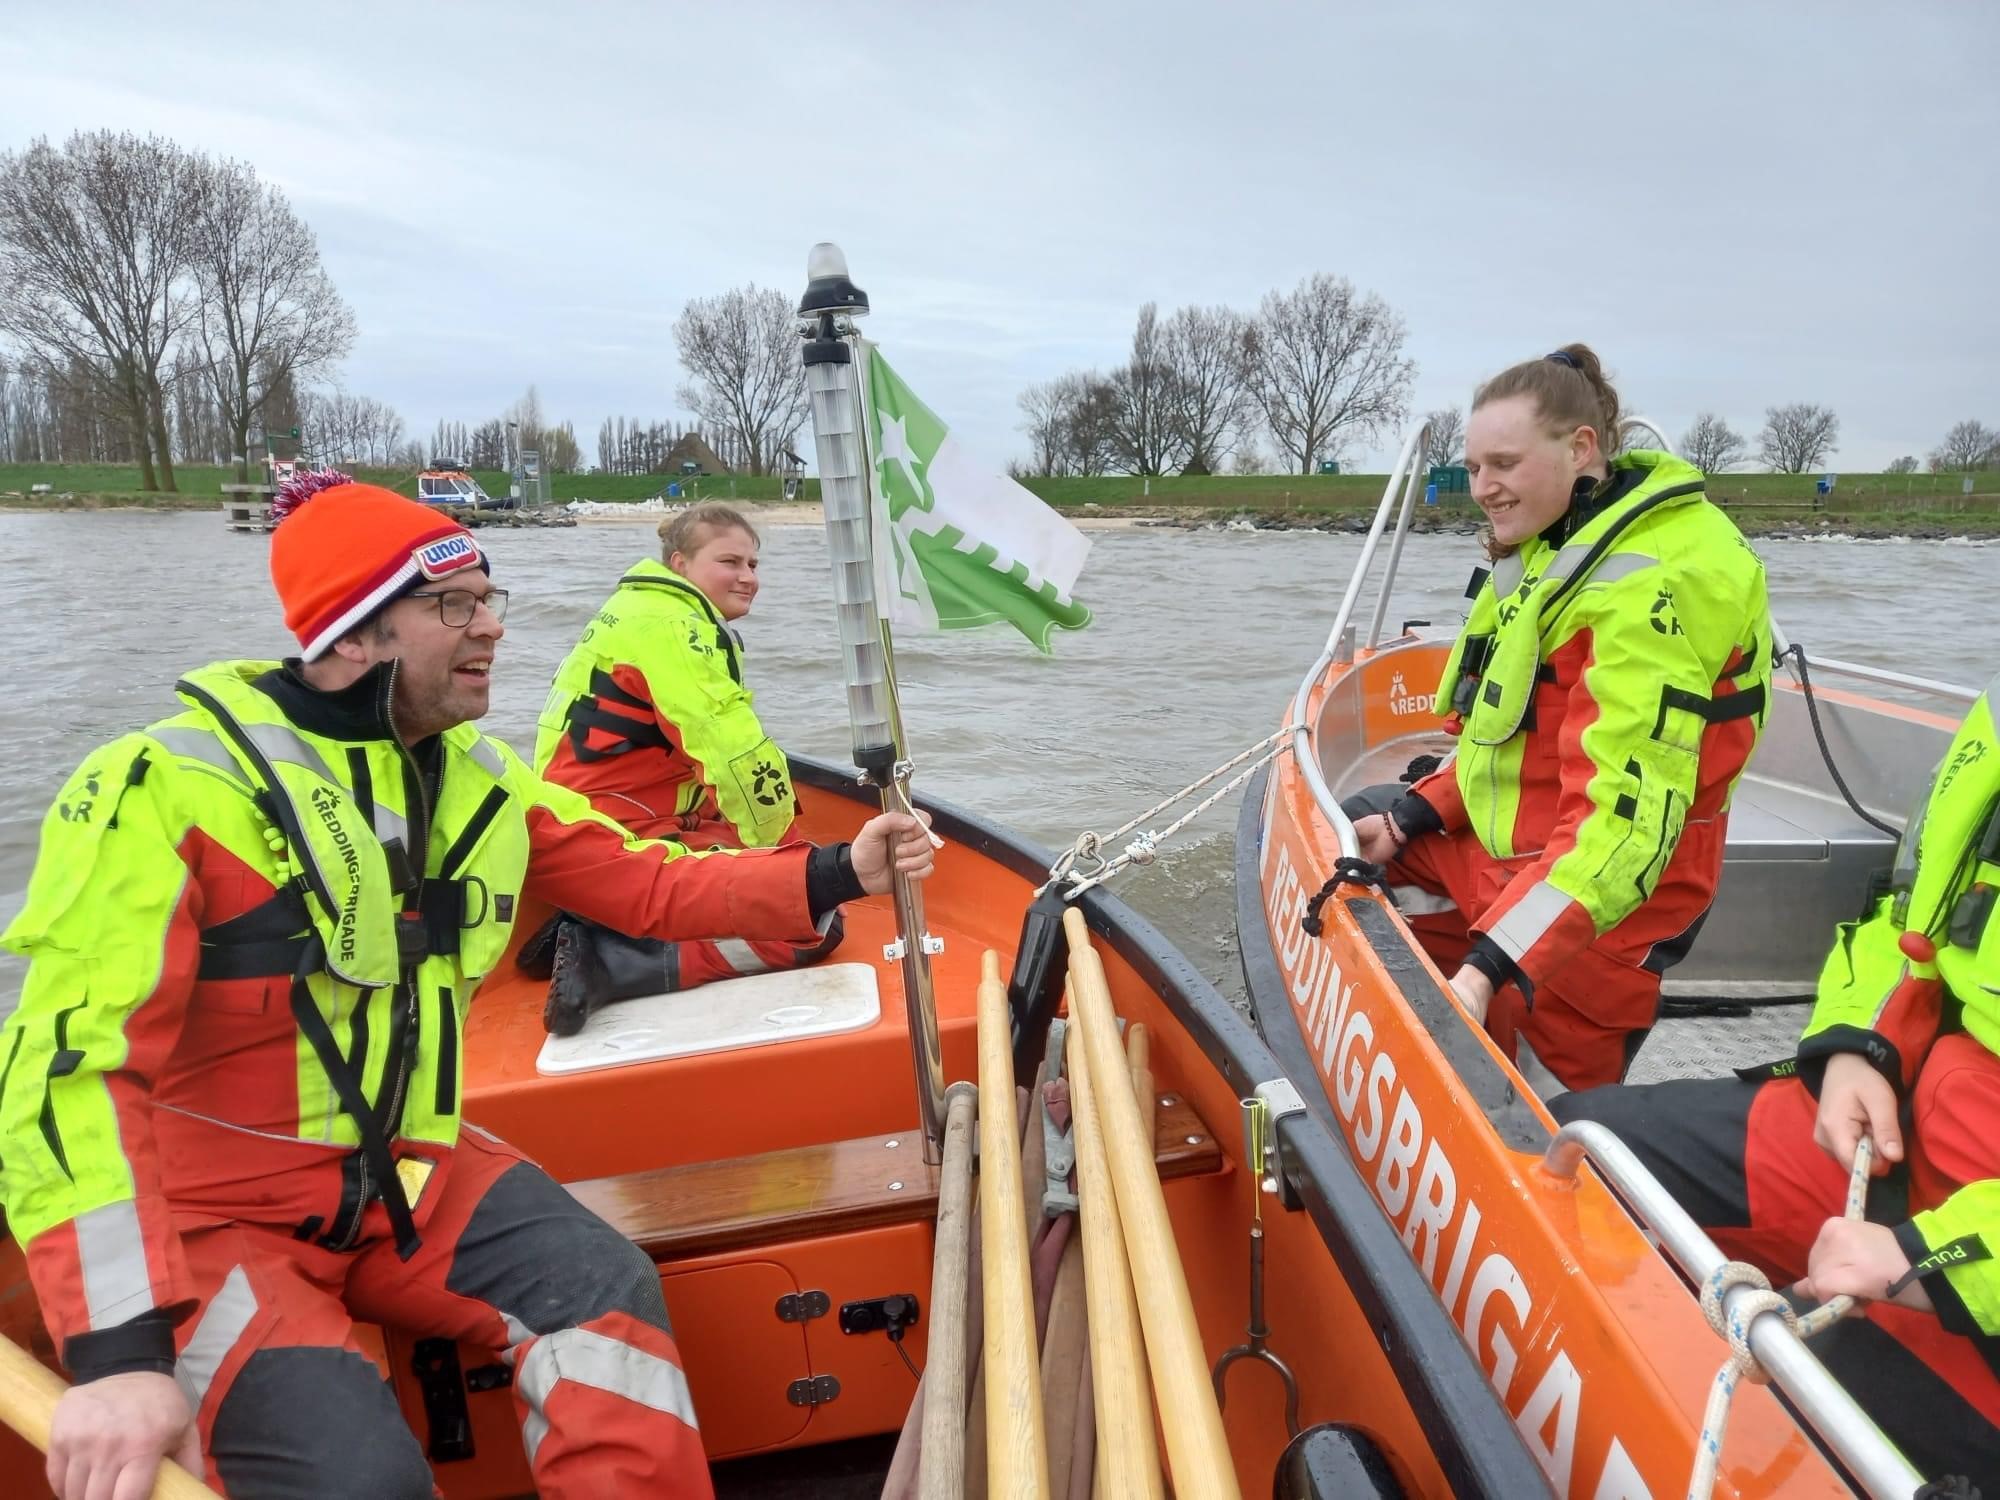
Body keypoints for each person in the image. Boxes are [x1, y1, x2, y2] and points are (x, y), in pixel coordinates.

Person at [0, 473, 935, 1500]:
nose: (491, 627)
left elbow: (648, 880)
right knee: (364, 1482)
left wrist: (843, 871)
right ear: (353, 635)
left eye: (491, 600)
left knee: (604, 1289)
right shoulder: (162, 788)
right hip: (211, 1216)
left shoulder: (474, 775)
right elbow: (66, 1072)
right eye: (454, 606)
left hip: (412, 1166)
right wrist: (118, 1358)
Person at [1551, 673, 2000, 1483]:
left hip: (1967, 1247)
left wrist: (1938, 1258)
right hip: (1912, 1120)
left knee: (1786, 1406)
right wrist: (1860, 1046)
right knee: (1583, 1152)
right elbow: (1912, 918)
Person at [1345, 345, 1771, 1090]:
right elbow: (1500, 737)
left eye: (1503, 464)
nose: (1483, 488)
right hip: (1510, 851)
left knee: (1543, 1129)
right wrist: (1413, 818)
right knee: (1348, 832)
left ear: (1581, 449)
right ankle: (1389, 1052)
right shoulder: (1558, 544)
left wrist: (1491, 965)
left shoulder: (1646, 593)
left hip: (1598, 913)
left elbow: (1619, 836)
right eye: (1474, 468)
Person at [527, 504, 829, 1035]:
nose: (748, 577)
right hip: (619, 834)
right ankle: (614, 959)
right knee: (812, 922)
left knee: (765, 872)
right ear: (680, 563)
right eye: (730, 561)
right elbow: (739, 758)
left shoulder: (639, 609)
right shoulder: (674, 629)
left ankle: (595, 925)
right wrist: (791, 857)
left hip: (594, 818)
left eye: (755, 564)